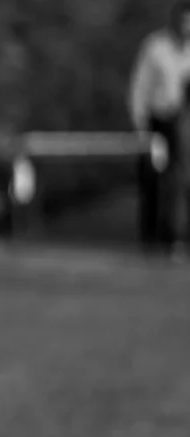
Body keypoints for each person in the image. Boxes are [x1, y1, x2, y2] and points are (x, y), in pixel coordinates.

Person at [129, 0, 190, 256]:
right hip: (158, 123)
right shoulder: (155, 47)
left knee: (180, 182)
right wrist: (141, 126)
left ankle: (176, 237)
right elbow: (139, 87)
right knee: (153, 181)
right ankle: (151, 240)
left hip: (184, 123)